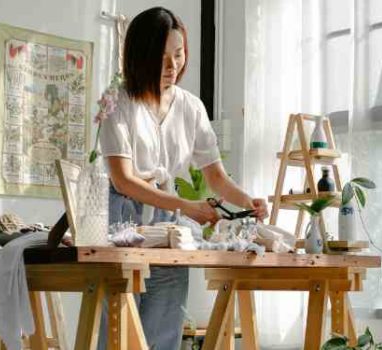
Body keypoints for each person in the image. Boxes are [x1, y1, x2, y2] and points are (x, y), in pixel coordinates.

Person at [98, 7, 268, 349]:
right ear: (141, 56)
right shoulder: (117, 102)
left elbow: (216, 176)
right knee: (120, 324)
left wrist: (248, 202)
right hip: (123, 220)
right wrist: (186, 205)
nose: (173, 66)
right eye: (162, 58)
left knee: (165, 322)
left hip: (170, 224)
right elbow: (123, 181)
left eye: (179, 55)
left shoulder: (191, 107)